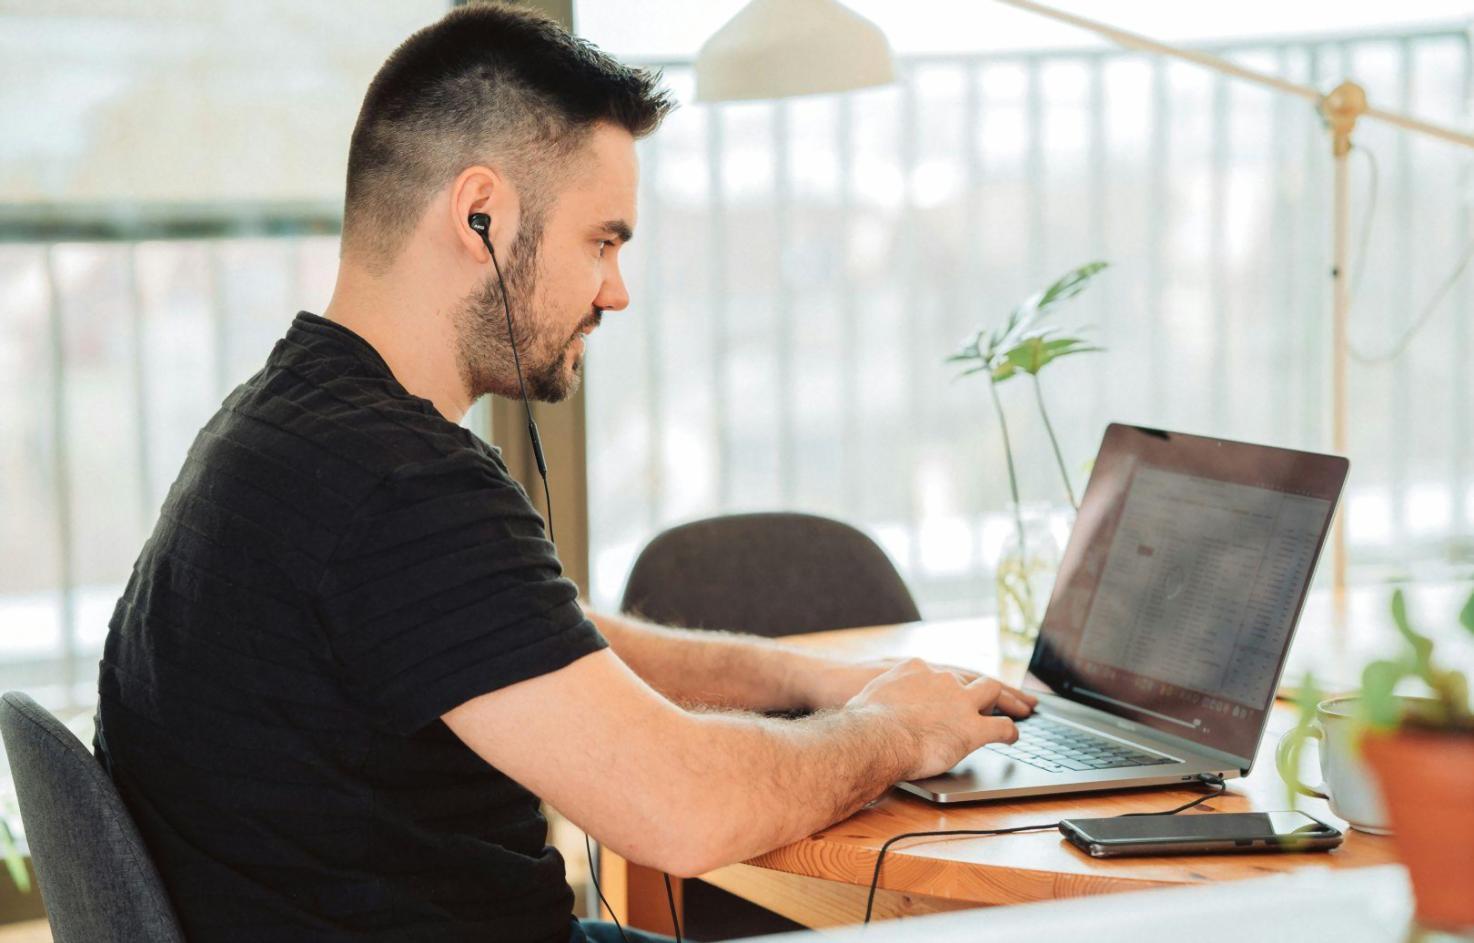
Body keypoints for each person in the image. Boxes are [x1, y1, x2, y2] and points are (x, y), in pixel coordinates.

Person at [94, 4, 1034, 942]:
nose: (616, 291)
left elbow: (546, 639)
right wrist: (895, 732)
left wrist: (812, 680)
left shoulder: (283, 422)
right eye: (604, 240)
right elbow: (684, 810)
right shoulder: (401, 484)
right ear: (482, 215)